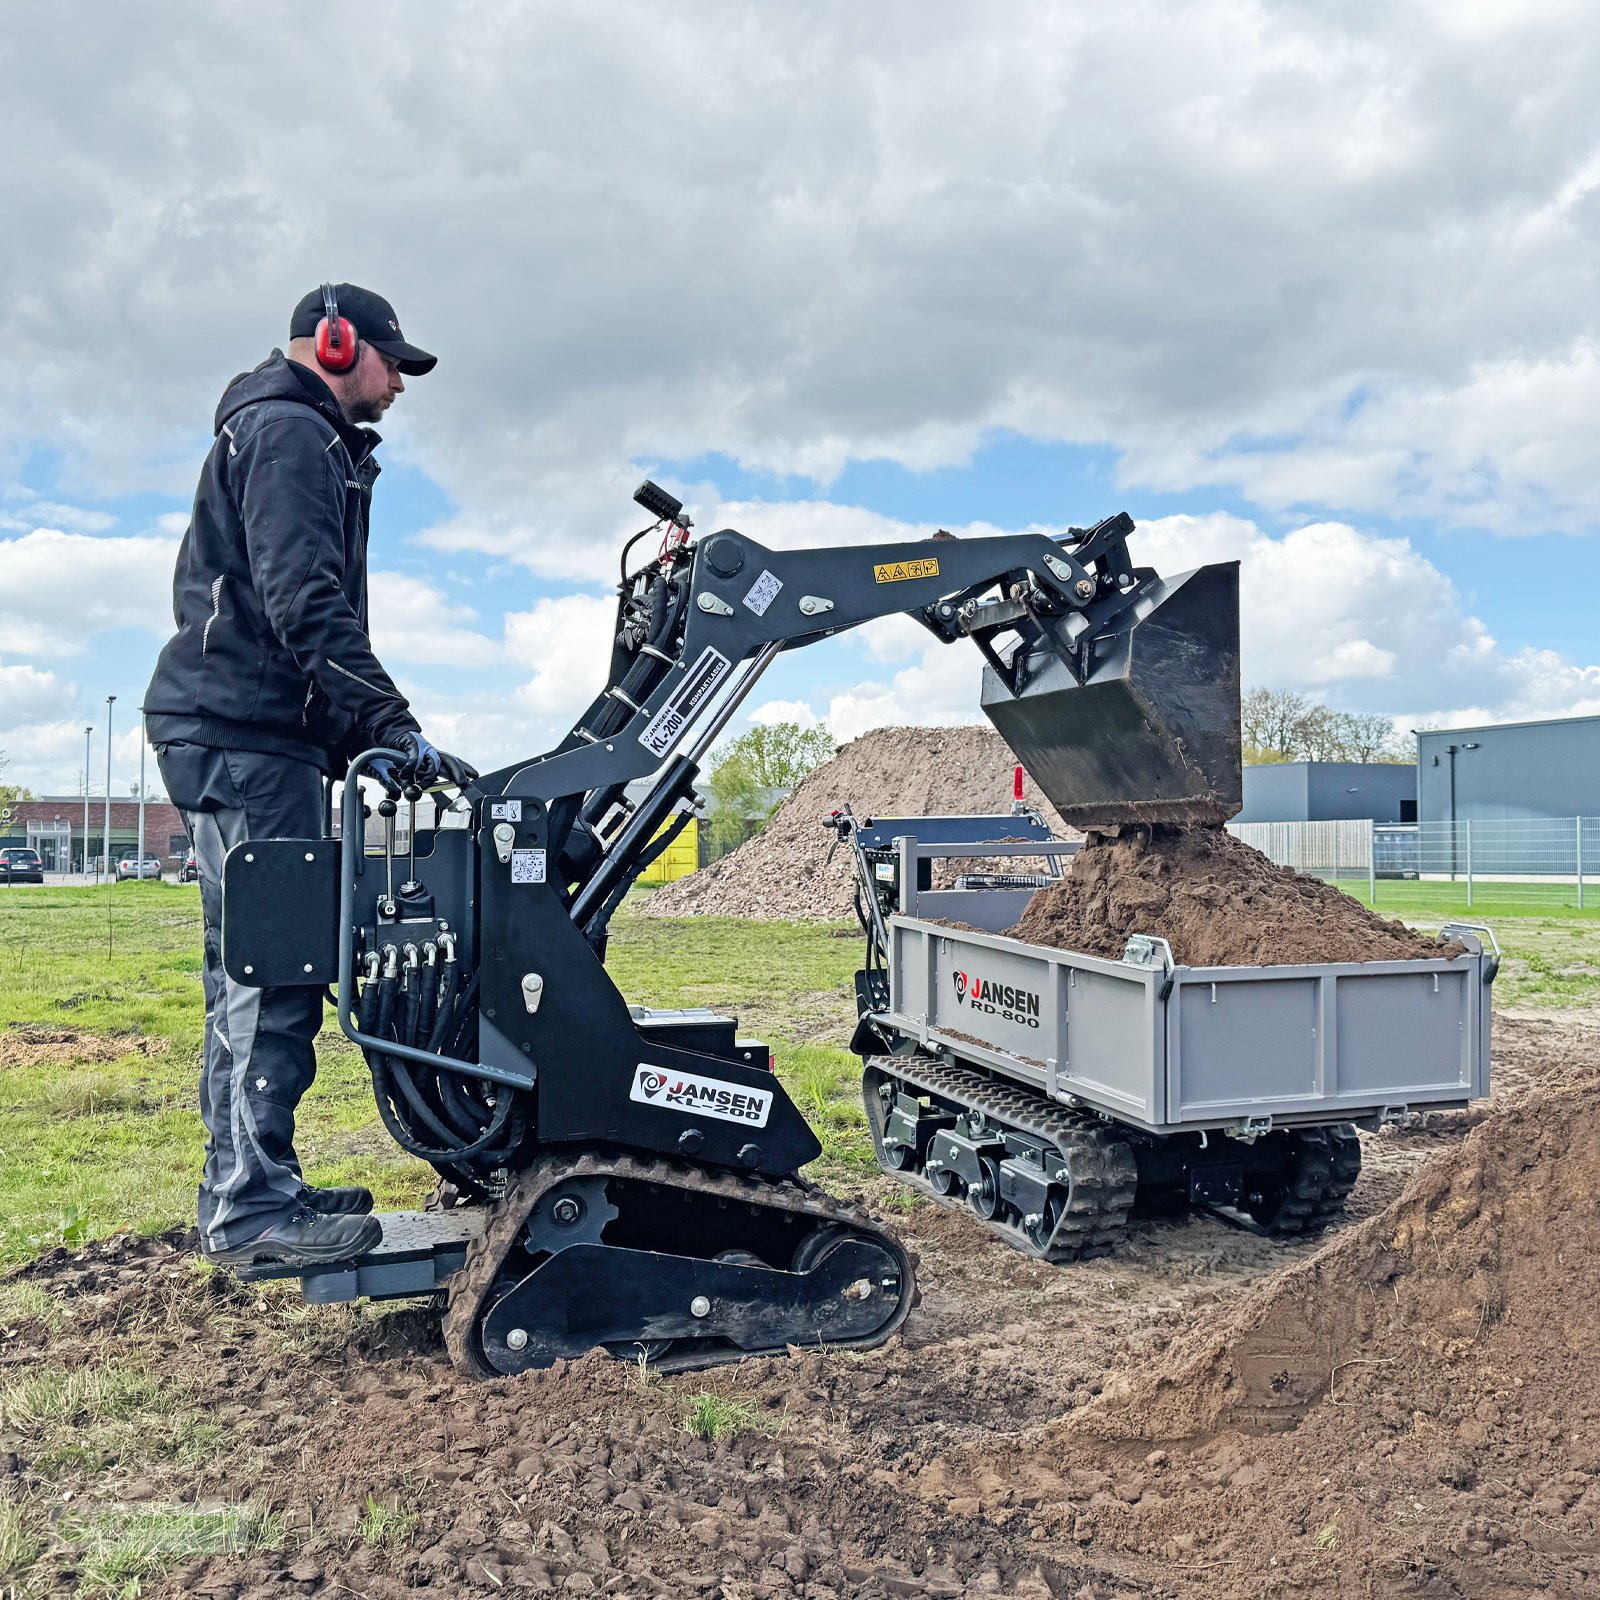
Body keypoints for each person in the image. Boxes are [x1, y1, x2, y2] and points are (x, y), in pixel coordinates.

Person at [144, 283, 477, 1268]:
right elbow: (302, 601)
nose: (399, 386)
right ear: (338, 344)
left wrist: (359, 734)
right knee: (272, 971)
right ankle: (255, 1212)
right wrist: (386, 721)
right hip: (245, 735)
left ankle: (246, 1189)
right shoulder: (291, 433)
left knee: (246, 976)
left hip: (250, 733)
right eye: (392, 364)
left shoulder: (288, 434)